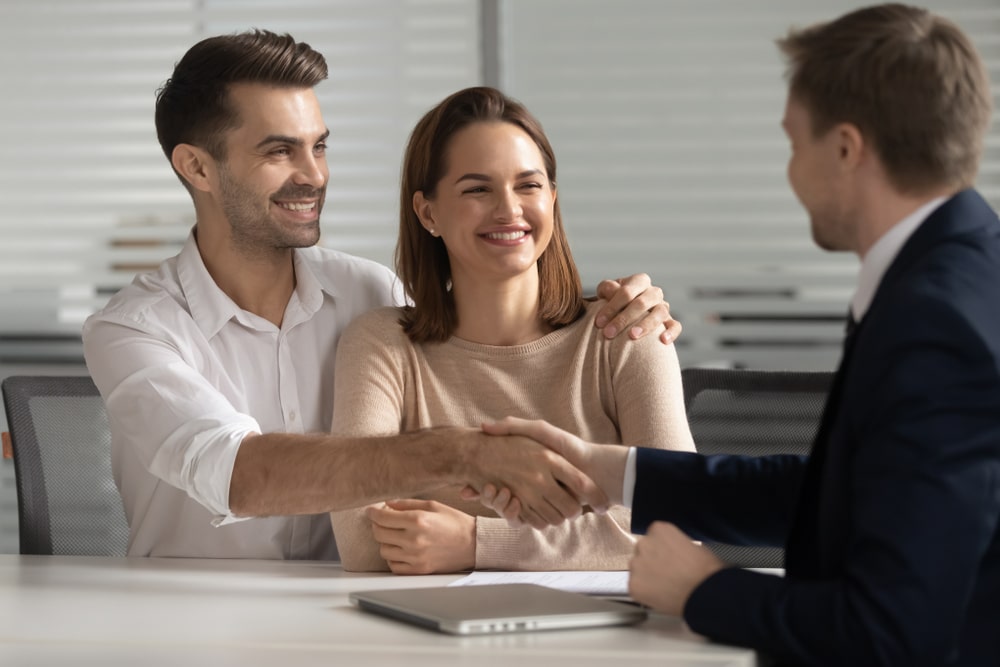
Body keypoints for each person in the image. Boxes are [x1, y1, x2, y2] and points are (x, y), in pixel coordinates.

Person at [476, 4, 1000, 665]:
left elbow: (892, 631)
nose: (790, 173)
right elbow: (851, 496)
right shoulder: (956, 272)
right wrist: (610, 471)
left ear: (845, 148)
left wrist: (704, 589)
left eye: (793, 143)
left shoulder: (939, 321)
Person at [81, 29, 680, 560]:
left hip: (348, 608)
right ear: (198, 168)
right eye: (279, 150)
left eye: (319, 146)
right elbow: (236, 474)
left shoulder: (370, 294)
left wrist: (631, 308)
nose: (313, 175)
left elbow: (495, 279)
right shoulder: (133, 329)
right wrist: (463, 455)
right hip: (184, 615)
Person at [329, 87, 696, 574]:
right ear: (428, 213)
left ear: (553, 198)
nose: (509, 210)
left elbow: (682, 525)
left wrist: (476, 542)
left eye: (528, 185)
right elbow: (362, 541)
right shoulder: (382, 344)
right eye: (478, 189)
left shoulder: (625, 334)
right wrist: (593, 535)